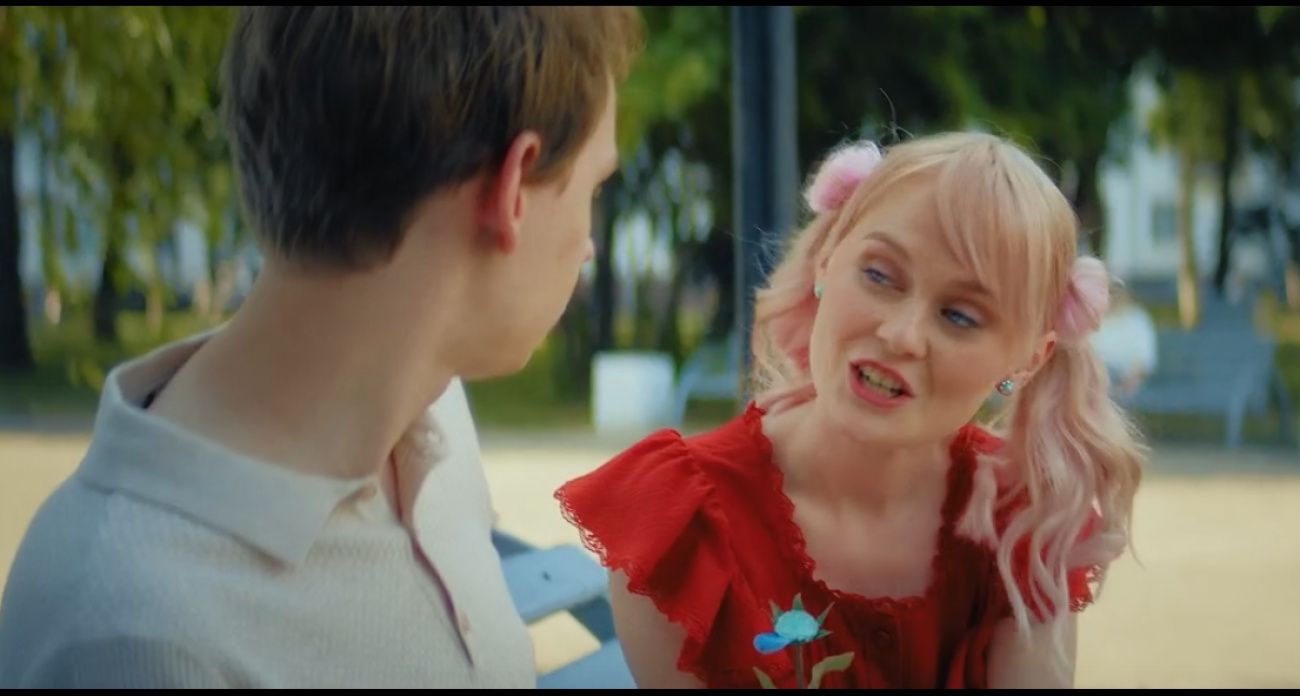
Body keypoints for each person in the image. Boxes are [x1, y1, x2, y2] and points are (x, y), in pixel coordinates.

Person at [0, 6, 643, 689]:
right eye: (594, 187)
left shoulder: (429, 415)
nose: (588, 245)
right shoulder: (133, 640)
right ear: (515, 186)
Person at [556, 132, 1146, 689]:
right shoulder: (678, 522)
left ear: (1030, 359)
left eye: (960, 316)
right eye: (880, 275)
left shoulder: (1028, 525)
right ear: (826, 259)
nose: (902, 334)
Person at [1089, 285, 1158, 397]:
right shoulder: (1095, 319)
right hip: (1097, 376)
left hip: (1125, 378)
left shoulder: (1137, 319)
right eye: (1111, 294)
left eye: (1118, 294)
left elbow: (1144, 360)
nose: (1115, 299)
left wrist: (1131, 382)